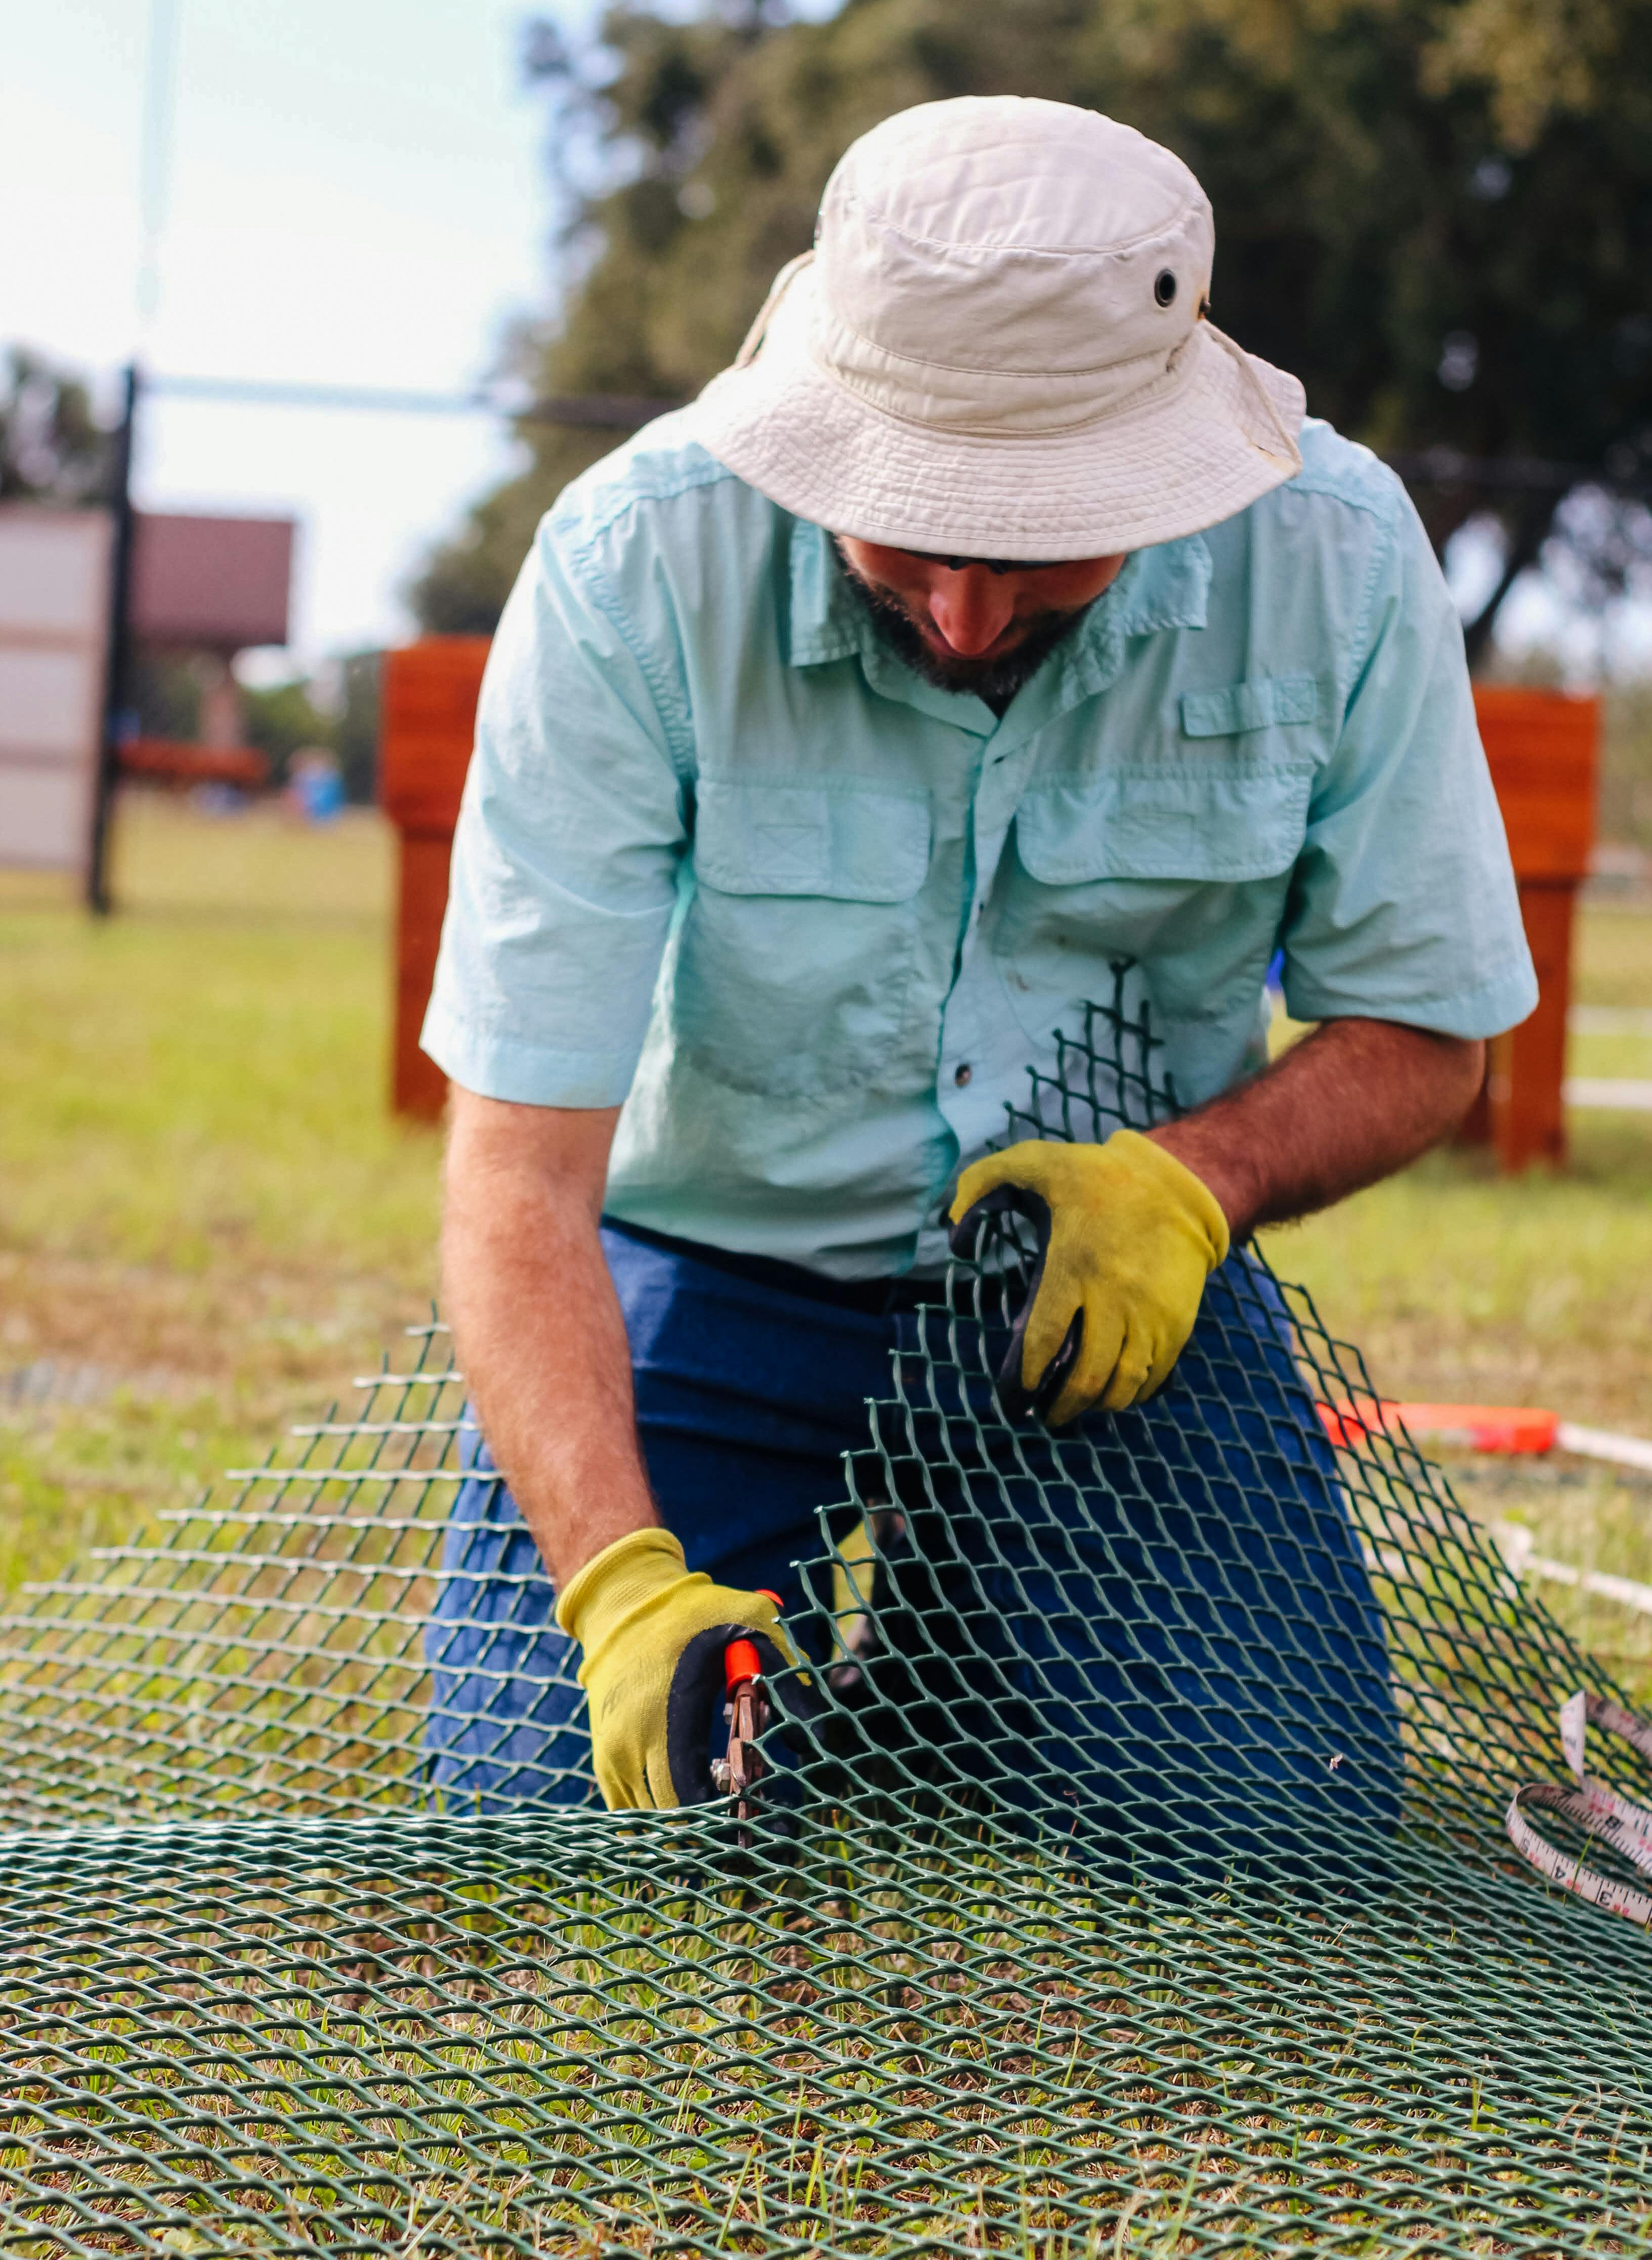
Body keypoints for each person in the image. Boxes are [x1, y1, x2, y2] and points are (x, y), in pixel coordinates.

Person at [419, 95, 1535, 1822]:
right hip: (710, 1264)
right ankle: (846, 1644)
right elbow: (514, 1180)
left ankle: (962, 1630)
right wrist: (618, 1581)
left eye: (1028, 546)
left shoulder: (1339, 556)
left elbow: (1430, 1030)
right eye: (909, 534)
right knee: (559, 1794)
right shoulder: (633, 567)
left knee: (1263, 1812)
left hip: (1095, 1299)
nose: (957, 613)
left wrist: (1191, 1184)